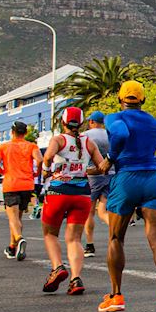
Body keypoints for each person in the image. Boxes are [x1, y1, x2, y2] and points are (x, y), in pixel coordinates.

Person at [101, 80, 156, 312]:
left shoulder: (114, 118)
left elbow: (121, 134)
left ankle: (115, 296)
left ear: (119, 98)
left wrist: (110, 158)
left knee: (116, 237)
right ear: (143, 99)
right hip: (153, 180)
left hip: (127, 179)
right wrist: (150, 161)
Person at [39, 106, 106, 295]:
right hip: (82, 194)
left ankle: (58, 267)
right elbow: (101, 167)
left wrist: (46, 170)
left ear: (63, 122)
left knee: (50, 234)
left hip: (58, 193)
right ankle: (75, 278)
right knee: (74, 238)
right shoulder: (89, 143)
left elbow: (48, 156)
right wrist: (84, 171)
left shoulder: (58, 139)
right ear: (82, 123)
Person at [0, 121, 40, 261]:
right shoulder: (31, 146)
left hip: (11, 183)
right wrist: (37, 173)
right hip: (27, 184)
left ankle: (19, 239)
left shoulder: (4, 147)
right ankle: (12, 247)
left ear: (12, 132)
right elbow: (40, 159)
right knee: (18, 218)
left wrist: (3, 171)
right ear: (25, 133)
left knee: (12, 218)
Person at [81, 110, 110, 256]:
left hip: (92, 176)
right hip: (110, 174)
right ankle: (115, 229)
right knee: (103, 211)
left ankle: (89, 244)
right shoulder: (109, 134)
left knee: (89, 212)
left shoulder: (86, 136)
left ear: (92, 121)